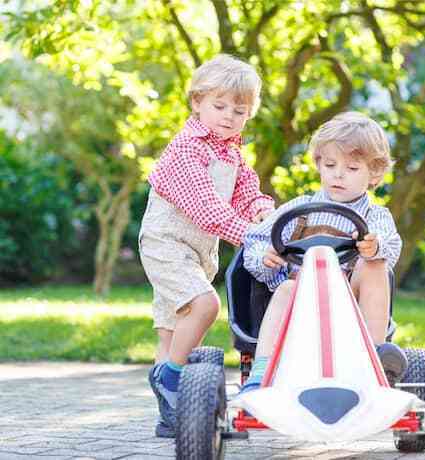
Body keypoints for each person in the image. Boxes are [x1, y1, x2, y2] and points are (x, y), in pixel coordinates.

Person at [138, 54, 274, 437]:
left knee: (171, 329)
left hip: (197, 251)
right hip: (167, 245)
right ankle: (171, 378)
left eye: (239, 110)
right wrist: (251, 235)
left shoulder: (230, 150)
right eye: (219, 106)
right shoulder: (187, 150)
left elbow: (247, 194)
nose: (229, 116)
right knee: (205, 305)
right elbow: (208, 210)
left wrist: (264, 212)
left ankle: (174, 418)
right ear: (197, 102)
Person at [241, 111, 407, 393]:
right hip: (300, 302)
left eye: (352, 169)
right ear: (319, 164)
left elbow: (391, 245)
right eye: (330, 165)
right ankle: (262, 372)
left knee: (375, 264)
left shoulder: (374, 216)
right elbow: (254, 239)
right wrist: (264, 257)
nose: (338, 175)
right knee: (286, 289)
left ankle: (375, 360)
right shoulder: (298, 209)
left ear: (374, 173)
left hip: (351, 307)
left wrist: (374, 246)